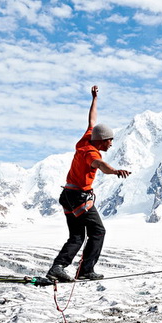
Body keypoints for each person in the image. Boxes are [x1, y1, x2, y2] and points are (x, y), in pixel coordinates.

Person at [47, 85, 130, 282]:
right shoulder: (91, 153)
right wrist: (115, 171)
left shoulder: (87, 139)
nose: (111, 144)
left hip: (68, 196)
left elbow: (92, 119)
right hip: (78, 198)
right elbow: (100, 165)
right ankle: (86, 270)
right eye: (110, 140)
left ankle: (58, 267)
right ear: (102, 140)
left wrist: (94, 99)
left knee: (77, 236)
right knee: (98, 231)